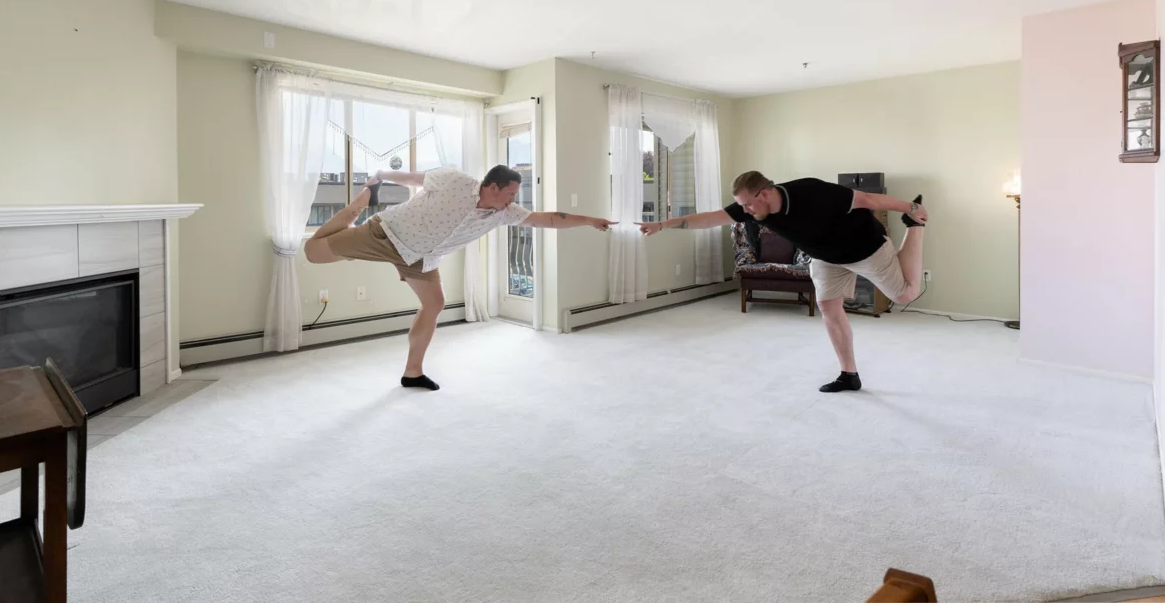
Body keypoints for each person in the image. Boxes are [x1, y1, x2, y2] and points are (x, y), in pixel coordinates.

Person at [305, 164, 615, 391]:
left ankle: (412, 373)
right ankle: (357, 206)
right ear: (491, 187)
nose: (512, 200)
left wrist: (589, 220)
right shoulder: (455, 180)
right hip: (386, 234)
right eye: (509, 193)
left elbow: (546, 218)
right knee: (313, 252)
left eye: (514, 195)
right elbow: (415, 178)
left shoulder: (503, 212)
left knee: (434, 303)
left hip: (421, 257)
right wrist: (382, 176)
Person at [637, 171, 927, 392]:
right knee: (827, 307)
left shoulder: (811, 191)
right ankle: (849, 375)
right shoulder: (751, 206)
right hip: (825, 257)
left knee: (905, 295)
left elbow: (869, 199)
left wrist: (909, 209)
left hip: (866, 248)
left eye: (748, 205)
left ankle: (915, 229)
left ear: (764, 194)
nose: (746, 212)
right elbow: (711, 219)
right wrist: (664, 225)